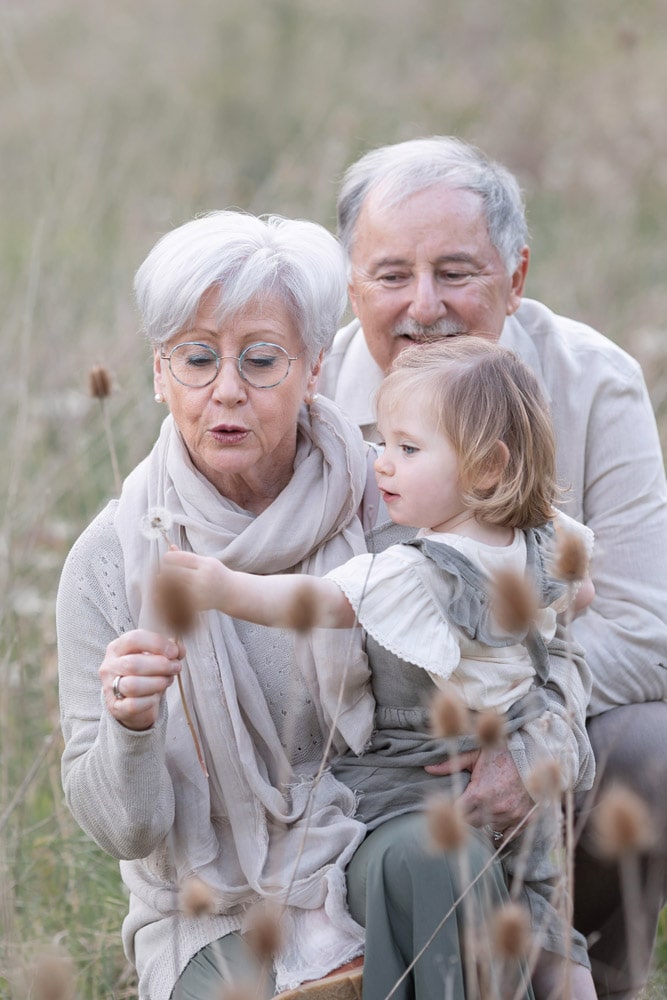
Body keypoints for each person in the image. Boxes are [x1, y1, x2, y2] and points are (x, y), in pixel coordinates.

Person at [57, 210, 534, 1000]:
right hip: (216, 907)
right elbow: (125, 830)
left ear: (315, 366)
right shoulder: (110, 561)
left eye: (261, 359)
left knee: (439, 859)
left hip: (379, 850)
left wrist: (525, 752)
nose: (226, 391)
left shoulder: (391, 504)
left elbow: (534, 656)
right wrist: (129, 726)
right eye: (197, 359)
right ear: (156, 373)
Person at [319, 135, 667, 998]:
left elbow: (643, 630)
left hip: (548, 720)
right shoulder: (308, 392)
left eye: (456, 272)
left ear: (514, 279)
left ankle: (603, 977)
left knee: (651, 749)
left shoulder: (593, 384)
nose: (422, 305)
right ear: (351, 285)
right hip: (371, 750)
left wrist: (523, 731)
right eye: (391, 274)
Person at [164, 337, 598, 1000]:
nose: (381, 465)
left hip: (413, 770)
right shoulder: (546, 537)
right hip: (516, 753)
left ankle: (333, 942)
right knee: (541, 919)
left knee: (341, 836)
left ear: (485, 469)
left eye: (406, 449)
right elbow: (580, 594)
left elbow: (314, 602)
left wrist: (225, 587)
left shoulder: (411, 571)